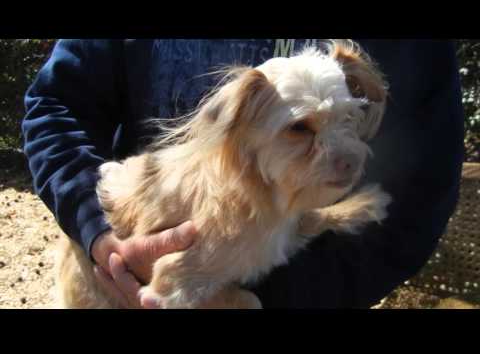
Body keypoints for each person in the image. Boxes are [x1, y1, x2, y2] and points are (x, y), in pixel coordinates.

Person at [22, 39, 464, 308]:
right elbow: (55, 105)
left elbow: (417, 194)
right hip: (108, 272)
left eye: (349, 121)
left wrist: (285, 297)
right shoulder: (226, 133)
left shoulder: (410, 53)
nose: (345, 156)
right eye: (299, 130)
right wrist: (97, 232)